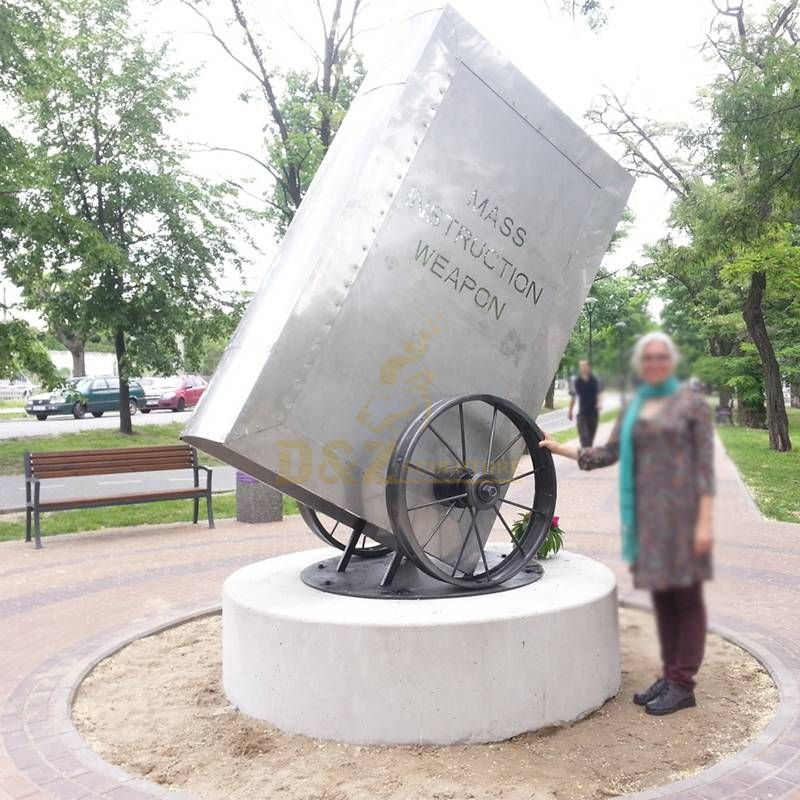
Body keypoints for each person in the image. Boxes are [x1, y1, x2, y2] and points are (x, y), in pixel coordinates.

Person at [540, 332, 715, 716]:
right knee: (664, 598)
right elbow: (607, 453)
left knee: (685, 599)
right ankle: (670, 676)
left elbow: (704, 469)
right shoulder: (635, 405)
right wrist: (560, 448)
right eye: (647, 357)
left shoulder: (690, 406)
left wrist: (704, 524)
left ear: (670, 361)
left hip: (682, 517)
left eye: (660, 356)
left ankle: (683, 683)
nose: (653, 363)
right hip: (647, 519)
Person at [568, 360, 603, 447]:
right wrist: (570, 411)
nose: (583, 368)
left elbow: (599, 394)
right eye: (581, 366)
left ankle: (587, 457)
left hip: (593, 414)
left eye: (585, 366)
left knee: (590, 440)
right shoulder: (577, 381)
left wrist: (599, 403)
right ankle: (585, 457)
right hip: (582, 414)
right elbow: (573, 397)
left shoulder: (595, 380)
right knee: (585, 439)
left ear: (588, 367)